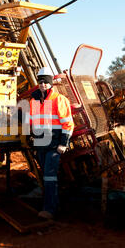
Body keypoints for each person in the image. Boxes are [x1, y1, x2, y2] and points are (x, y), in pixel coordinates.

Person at [29, 67, 74, 219]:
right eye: (40, 81)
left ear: (51, 83)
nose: (42, 84)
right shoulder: (34, 100)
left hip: (54, 145)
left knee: (49, 176)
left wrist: (64, 143)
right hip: (41, 144)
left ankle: (50, 209)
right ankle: (51, 204)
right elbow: (33, 122)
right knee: (45, 176)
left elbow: (68, 123)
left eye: (45, 81)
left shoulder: (59, 99)